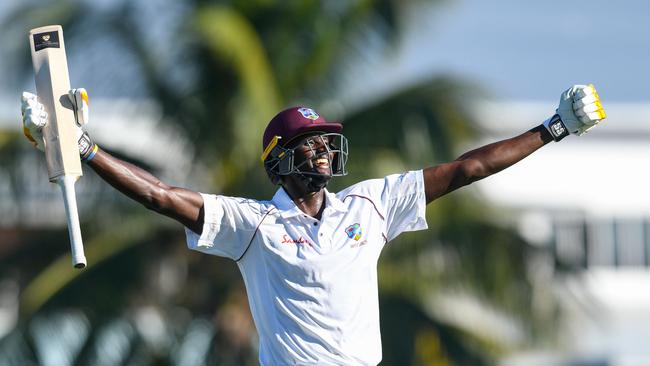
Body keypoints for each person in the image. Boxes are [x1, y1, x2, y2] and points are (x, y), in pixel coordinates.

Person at [21, 85, 606, 365]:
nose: (323, 153)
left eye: (326, 143)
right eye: (308, 145)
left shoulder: (370, 205)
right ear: (280, 159)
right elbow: (163, 196)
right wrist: (85, 147)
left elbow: (467, 167)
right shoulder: (253, 224)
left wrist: (552, 127)